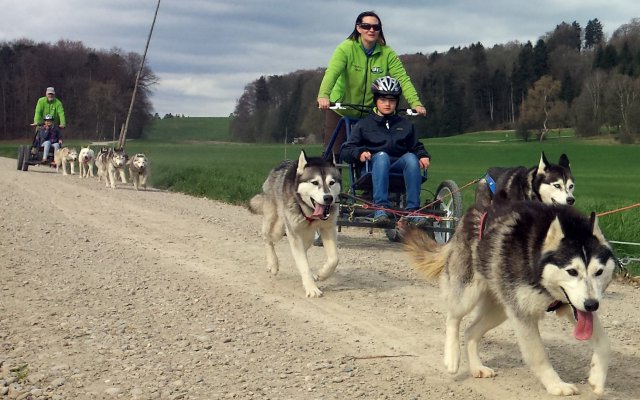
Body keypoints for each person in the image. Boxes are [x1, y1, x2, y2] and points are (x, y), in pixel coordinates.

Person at [317, 10, 426, 158]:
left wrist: (415, 103)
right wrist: (324, 95)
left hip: (370, 113)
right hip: (341, 108)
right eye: (366, 26)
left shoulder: (387, 53)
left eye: (376, 27)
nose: (371, 30)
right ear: (358, 28)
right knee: (333, 154)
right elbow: (332, 73)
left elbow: (402, 78)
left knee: (376, 152)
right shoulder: (346, 48)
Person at [340, 76, 430, 224]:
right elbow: (346, 149)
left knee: (411, 158)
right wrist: (359, 152)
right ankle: (380, 207)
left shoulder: (406, 125)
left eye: (392, 100)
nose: (387, 104)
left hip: (398, 168)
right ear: (376, 100)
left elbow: (416, 146)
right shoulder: (364, 125)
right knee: (382, 156)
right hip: (371, 168)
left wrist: (422, 155)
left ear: (397, 101)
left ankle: (413, 210)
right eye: (383, 100)